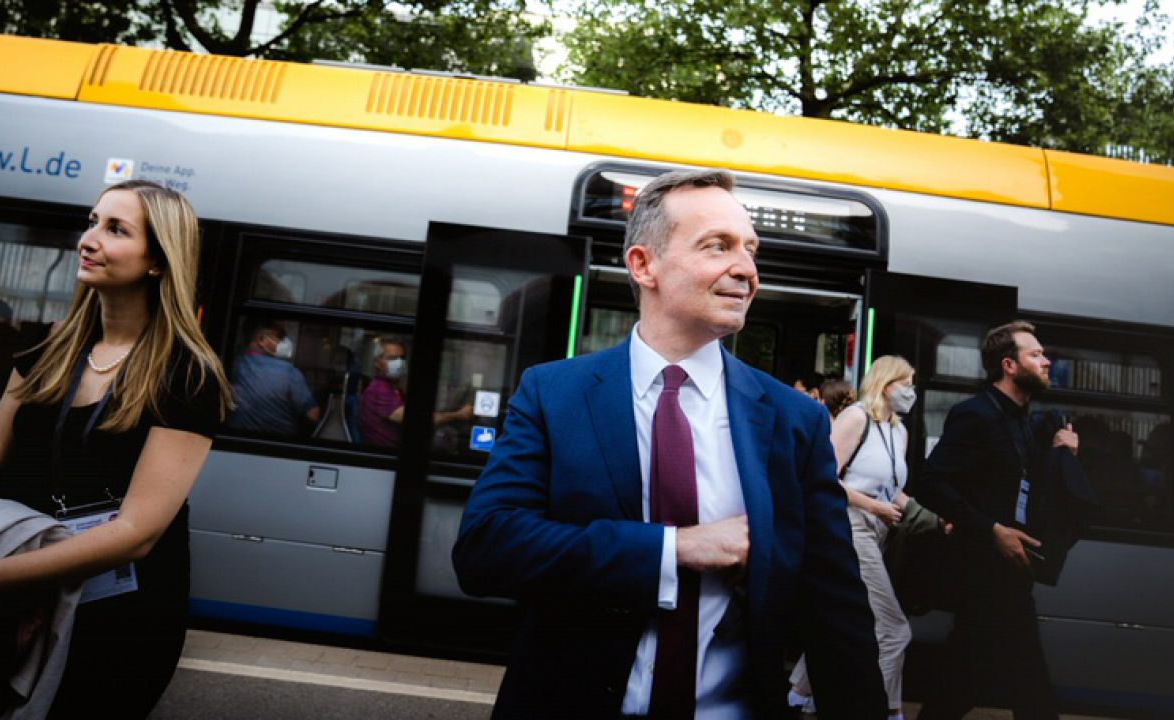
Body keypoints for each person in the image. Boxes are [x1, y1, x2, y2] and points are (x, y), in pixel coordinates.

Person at [453, 169, 885, 719]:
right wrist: (673, 549)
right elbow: (486, 550)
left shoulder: (794, 420)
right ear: (644, 265)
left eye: (751, 251)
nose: (747, 270)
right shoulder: (553, 393)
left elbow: (837, 613)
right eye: (718, 246)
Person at [0, 179, 231, 718]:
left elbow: (135, 535)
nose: (89, 238)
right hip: (13, 599)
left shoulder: (187, 378)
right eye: (91, 221)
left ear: (157, 261)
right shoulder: (44, 355)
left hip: (119, 617)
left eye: (116, 229)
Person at [909, 321, 1078, 720]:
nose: (1046, 360)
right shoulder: (976, 415)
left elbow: (1026, 485)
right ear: (1009, 365)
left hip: (1007, 570)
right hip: (982, 570)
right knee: (1026, 686)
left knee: (967, 679)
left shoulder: (1022, 421)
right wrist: (991, 530)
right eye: (1035, 354)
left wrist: (1062, 452)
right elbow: (929, 483)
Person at [789, 356, 919, 719]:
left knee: (842, 619)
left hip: (877, 534)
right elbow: (823, 477)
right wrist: (875, 508)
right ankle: (889, 710)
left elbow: (893, 490)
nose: (911, 391)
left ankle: (797, 695)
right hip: (849, 528)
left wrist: (933, 520)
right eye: (905, 382)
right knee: (894, 630)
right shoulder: (857, 418)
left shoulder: (897, 429)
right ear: (884, 383)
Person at [226, 321, 320, 435]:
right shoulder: (289, 372)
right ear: (261, 340)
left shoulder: (233, 366)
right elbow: (313, 414)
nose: (284, 343)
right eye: (279, 338)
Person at [359, 338, 407, 448]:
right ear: (377, 362)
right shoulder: (378, 389)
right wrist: (452, 416)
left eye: (402, 358)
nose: (399, 363)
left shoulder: (396, 390)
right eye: (392, 358)